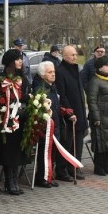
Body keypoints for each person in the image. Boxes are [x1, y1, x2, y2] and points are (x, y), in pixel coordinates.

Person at [0, 49, 28, 195]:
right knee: (9, 152)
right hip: (6, 121)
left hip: (20, 119)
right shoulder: (2, 80)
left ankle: (14, 180)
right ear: (10, 62)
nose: (20, 61)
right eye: (17, 59)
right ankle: (9, 182)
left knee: (17, 152)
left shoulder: (22, 78)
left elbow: (24, 96)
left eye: (21, 59)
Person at [56, 45, 87, 180]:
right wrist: (69, 112)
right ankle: (62, 170)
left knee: (78, 142)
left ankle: (74, 166)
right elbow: (62, 95)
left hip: (79, 112)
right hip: (68, 115)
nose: (75, 57)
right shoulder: (60, 72)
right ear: (64, 56)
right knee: (67, 143)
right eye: (72, 55)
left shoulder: (76, 70)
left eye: (76, 55)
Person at [31, 60, 63, 188]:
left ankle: (49, 176)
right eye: (50, 72)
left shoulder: (52, 87)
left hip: (55, 125)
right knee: (45, 153)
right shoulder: (40, 89)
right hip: (45, 127)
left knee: (52, 153)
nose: (53, 74)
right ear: (43, 74)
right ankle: (42, 177)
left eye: (54, 71)